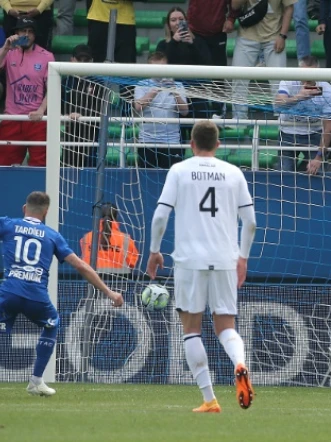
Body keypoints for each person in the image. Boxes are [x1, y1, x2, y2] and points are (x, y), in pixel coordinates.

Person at [147, 120, 257, 413]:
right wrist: (242, 257)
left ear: (191, 144)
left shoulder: (180, 170)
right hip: (225, 258)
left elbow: (160, 216)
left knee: (191, 329)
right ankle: (239, 363)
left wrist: (154, 251)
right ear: (218, 145)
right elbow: (251, 222)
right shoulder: (233, 173)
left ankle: (209, 399)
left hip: (189, 260)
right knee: (225, 326)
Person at [0, 191, 123, 396]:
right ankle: (36, 381)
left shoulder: (7, 224)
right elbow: (81, 266)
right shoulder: (52, 235)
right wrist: (109, 293)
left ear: (24, 208)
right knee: (52, 323)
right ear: (46, 212)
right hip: (35, 296)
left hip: (9, 293)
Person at [0, 17, 53, 167]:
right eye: (23, 31)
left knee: (40, 166)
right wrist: (5, 48)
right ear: (16, 33)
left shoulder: (47, 56)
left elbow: (53, 88)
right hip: (11, 119)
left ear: (35, 35)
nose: (27, 35)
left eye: (30, 32)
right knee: (4, 166)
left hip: (36, 120)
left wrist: (41, 110)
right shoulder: (8, 53)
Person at [230, 0, 295, 122]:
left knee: (279, 81)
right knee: (238, 79)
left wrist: (283, 35)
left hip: (274, 36)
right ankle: (239, 119)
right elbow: (235, 5)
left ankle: (282, 118)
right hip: (246, 36)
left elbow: (289, 8)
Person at [274, 55, 331, 175]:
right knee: (284, 175)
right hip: (287, 133)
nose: (307, 78)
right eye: (304, 74)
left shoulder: (327, 89)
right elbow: (278, 105)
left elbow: (328, 127)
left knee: (318, 172)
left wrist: (318, 158)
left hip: (314, 134)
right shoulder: (288, 81)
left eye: (311, 74)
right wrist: (299, 97)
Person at [133, 52, 189, 169]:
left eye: (162, 67)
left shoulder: (178, 85)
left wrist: (175, 92)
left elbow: (185, 111)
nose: (159, 71)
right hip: (147, 141)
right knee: (146, 178)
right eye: (156, 68)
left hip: (172, 142)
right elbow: (138, 107)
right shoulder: (141, 85)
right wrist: (155, 90)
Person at [80, 203, 139, 274]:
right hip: (119, 282)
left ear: (99, 216)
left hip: (92, 281)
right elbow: (132, 263)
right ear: (116, 216)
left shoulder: (86, 238)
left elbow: (84, 260)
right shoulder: (126, 239)